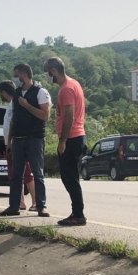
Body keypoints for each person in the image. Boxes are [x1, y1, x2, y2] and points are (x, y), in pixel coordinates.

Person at [0, 64, 50, 217]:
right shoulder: (16, 95)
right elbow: (13, 119)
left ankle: (41, 206)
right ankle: (13, 206)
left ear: (24, 74)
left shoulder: (41, 92)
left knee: (37, 174)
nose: (15, 79)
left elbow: (45, 116)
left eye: (16, 75)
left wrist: (27, 106)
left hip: (35, 139)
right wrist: (9, 141)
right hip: (18, 140)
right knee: (16, 175)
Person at [44, 57, 87, 226]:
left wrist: (63, 141)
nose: (48, 76)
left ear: (54, 71)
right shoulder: (73, 83)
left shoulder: (66, 89)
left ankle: (78, 214)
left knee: (69, 178)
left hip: (72, 138)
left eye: (48, 72)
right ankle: (77, 212)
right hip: (76, 136)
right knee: (70, 177)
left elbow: (69, 115)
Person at [0, 80, 36, 210]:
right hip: (11, 144)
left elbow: (15, 124)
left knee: (27, 173)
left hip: (16, 143)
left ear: (3, 92)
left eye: (0, 92)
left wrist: (10, 142)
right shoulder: (10, 104)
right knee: (14, 174)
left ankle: (36, 202)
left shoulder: (16, 103)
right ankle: (21, 202)